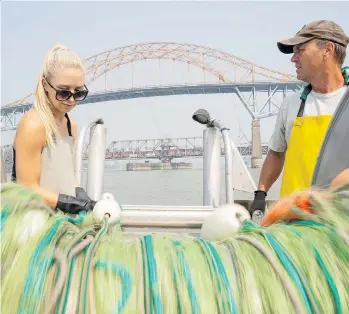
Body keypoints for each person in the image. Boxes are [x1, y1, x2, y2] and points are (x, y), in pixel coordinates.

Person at [250, 20, 349, 216]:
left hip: (340, 225)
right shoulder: (291, 104)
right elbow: (276, 154)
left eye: (300, 50)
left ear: (327, 50)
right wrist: (261, 193)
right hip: (293, 223)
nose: (293, 59)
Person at [12, 44, 96, 214]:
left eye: (79, 92)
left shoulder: (71, 125)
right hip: (34, 218)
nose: (71, 100)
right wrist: (67, 203)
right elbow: (27, 188)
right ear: (45, 84)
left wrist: (79, 193)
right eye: (64, 92)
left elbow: (65, 175)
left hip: (62, 217)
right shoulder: (33, 124)